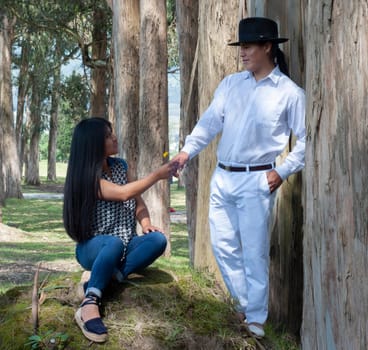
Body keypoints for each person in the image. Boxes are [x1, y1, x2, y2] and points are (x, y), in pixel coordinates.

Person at [171, 17, 305, 338]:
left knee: (255, 251)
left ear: (267, 47)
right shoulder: (231, 84)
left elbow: (307, 140)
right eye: (241, 47)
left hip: (258, 180)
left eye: (248, 46)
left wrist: (282, 171)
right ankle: (245, 305)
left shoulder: (289, 93)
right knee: (223, 245)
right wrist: (187, 152)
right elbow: (208, 124)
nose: (242, 52)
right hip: (223, 176)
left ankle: (256, 321)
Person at [63, 117, 178, 343]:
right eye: (107, 135)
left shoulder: (120, 166)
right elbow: (123, 193)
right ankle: (89, 304)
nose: (114, 137)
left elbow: (137, 201)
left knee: (157, 240)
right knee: (113, 243)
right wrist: (157, 175)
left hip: (125, 244)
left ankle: (111, 277)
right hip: (93, 248)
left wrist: (145, 224)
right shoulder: (88, 177)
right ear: (92, 143)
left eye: (111, 133)